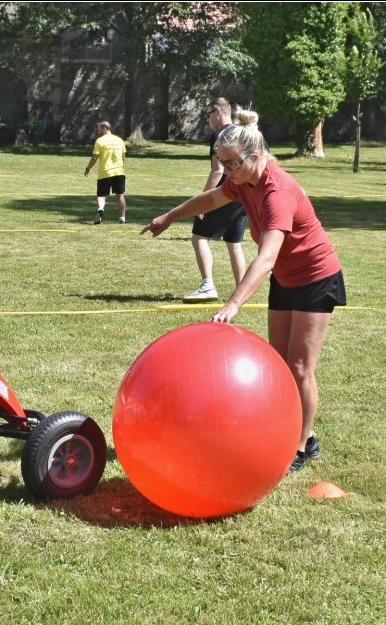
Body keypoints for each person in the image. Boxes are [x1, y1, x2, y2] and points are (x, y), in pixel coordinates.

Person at [142, 107, 346, 474]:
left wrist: (234, 303)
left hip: (316, 277)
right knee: (279, 364)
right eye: (223, 164)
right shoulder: (242, 180)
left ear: (255, 157)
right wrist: (170, 216)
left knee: (299, 366)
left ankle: (301, 447)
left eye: (232, 164)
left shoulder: (277, 192)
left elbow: (267, 257)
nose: (227, 171)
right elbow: (210, 200)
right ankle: (301, 434)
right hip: (286, 278)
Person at [183, 98, 247, 304]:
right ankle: (243, 290)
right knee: (234, 243)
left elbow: (217, 170)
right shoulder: (241, 133)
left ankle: (207, 285)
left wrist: (203, 200)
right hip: (243, 194)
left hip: (225, 194)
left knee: (199, 236)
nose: (207, 119)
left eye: (208, 114)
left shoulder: (220, 135)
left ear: (219, 112)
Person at [83, 121, 127, 224]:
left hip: (105, 173)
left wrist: (88, 168)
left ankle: (100, 209)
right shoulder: (119, 140)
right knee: (120, 195)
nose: (98, 130)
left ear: (104, 128)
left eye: (99, 128)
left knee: (101, 196)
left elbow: (94, 157)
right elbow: (123, 157)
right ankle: (122, 218)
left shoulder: (100, 141)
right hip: (119, 172)